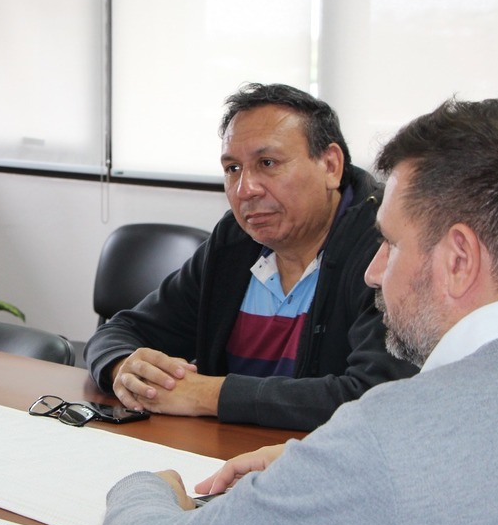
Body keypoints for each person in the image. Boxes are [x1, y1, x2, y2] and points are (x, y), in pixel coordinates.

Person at [101, 97, 498, 525]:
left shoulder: (386, 442)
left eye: (391, 245)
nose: (374, 272)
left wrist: (142, 487)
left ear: (459, 259)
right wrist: (322, 467)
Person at [85, 83, 417, 431]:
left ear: (331, 166)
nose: (245, 190)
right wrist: (123, 367)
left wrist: (208, 395)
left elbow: (376, 396)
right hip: (218, 457)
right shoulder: (235, 241)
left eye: (267, 163)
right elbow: (121, 330)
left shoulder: (384, 248)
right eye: (232, 169)